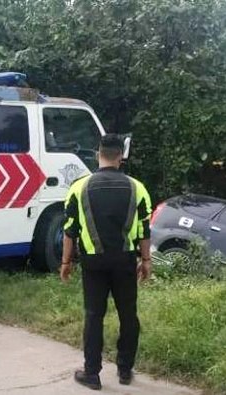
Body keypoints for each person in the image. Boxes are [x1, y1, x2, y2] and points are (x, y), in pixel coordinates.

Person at [60, 134, 153, 390]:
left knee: (93, 315)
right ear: (120, 157)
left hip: (93, 263)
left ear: (97, 154)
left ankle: (92, 374)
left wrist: (66, 262)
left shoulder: (79, 188)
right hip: (124, 261)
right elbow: (144, 230)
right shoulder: (137, 187)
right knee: (128, 315)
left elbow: (70, 230)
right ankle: (124, 371)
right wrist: (146, 260)